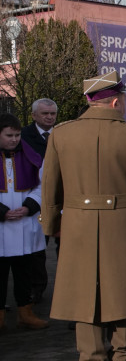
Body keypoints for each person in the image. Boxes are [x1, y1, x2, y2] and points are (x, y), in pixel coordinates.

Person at [41, 70, 126, 361]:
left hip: (78, 225)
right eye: (124, 100)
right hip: (123, 223)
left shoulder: (61, 133)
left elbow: (50, 186)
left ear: (89, 101)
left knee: (84, 293)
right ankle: (123, 358)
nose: (125, 105)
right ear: (113, 101)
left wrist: (51, 224)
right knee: (123, 288)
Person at [0, 113, 48, 331]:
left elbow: (42, 184)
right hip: (1, 226)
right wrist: (1, 211)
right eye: (9, 135)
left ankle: (25, 313)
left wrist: (29, 205)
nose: (14, 139)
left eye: (17, 135)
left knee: (24, 273)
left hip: (23, 223)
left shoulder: (30, 155)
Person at [20, 98, 59, 304]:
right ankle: (36, 289)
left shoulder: (63, 134)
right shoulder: (23, 137)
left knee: (65, 246)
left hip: (62, 198)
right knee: (36, 248)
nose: (49, 117)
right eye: (45, 113)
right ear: (34, 115)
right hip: (34, 197)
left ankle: (65, 288)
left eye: (52, 113)